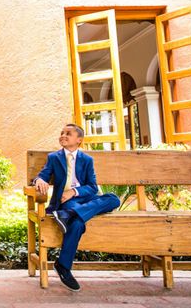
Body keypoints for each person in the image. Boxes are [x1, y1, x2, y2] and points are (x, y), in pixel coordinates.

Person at [33, 124, 120, 292]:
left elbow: (92, 187)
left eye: (68, 133)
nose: (63, 135)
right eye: (62, 133)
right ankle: (64, 266)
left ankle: (69, 214)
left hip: (82, 198)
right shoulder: (54, 158)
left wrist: (74, 191)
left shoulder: (87, 160)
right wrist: (39, 181)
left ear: (79, 140)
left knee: (113, 199)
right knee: (78, 224)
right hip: (66, 201)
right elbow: (43, 175)